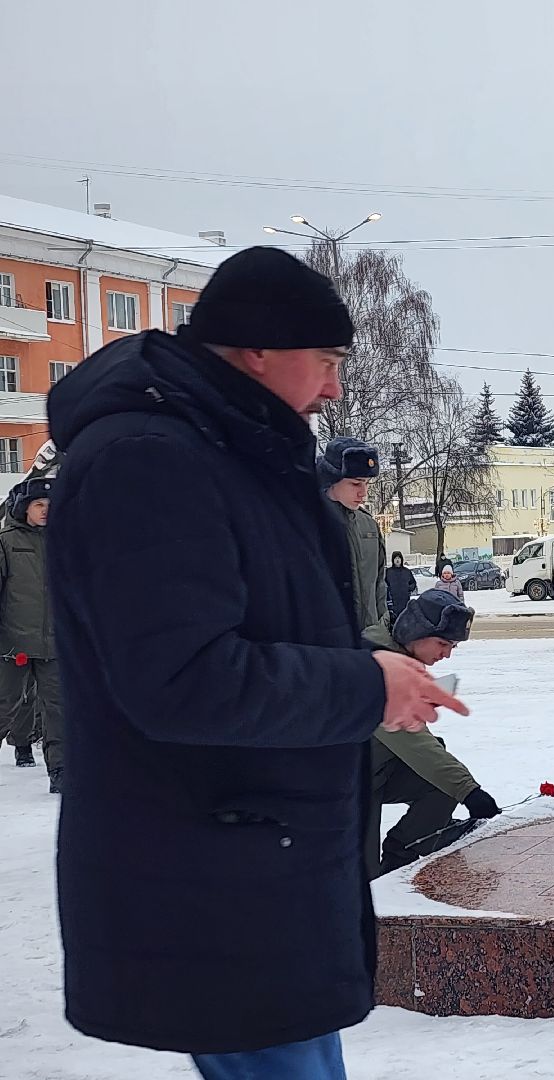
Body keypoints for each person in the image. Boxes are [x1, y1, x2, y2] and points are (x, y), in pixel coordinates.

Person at [46, 246, 465, 1077]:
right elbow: (181, 678)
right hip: (213, 868)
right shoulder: (151, 461)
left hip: (261, 864)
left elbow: (273, 624)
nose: (336, 388)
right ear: (258, 348)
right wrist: (364, 683)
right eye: (328, 360)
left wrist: (375, 672)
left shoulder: (238, 449)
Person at [365, 589, 499, 878]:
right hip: (341, 785)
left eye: (452, 646)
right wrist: (470, 792)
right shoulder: (378, 665)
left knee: (440, 783)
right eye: (442, 643)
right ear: (417, 632)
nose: (447, 654)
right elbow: (416, 744)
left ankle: (404, 848)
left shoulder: (401, 657)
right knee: (360, 879)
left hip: (375, 772)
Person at [0, 477, 62, 789]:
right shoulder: (6, 542)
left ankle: (61, 771)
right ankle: (20, 745)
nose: (45, 510)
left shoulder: (63, 541)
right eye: (39, 504)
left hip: (54, 644)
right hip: (13, 644)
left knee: (58, 710)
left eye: (49, 505)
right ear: (25, 507)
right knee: (5, 704)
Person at [320, 436, 386, 632]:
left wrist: (382, 632)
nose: (363, 493)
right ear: (332, 480)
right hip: (325, 643)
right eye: (356, 484)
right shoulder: (308, 524)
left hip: (370, 639)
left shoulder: (368, 525)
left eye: (367, 483)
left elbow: (379, 587)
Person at [386, 552, 418, 623]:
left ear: (401, 559)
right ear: (393, 560)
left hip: (404, 599)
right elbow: (384, 584)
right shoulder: (388, 572)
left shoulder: (406, 571)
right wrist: (389, 590)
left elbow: (413, 583)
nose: (397, 560)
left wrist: (408, 589)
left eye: (399, 558)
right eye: (395, 558)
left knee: (404, 619)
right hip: (393, 600)